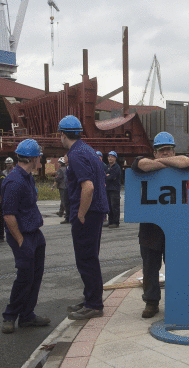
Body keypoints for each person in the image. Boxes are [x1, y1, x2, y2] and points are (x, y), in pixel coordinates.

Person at [131, 132, 189, 318]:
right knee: (150, 268)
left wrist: (162, 165)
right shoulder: (144, 162)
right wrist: (167, 165)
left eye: (169, 150)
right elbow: (140, 165)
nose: (166, 153)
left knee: (177, 266)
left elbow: (188, 162)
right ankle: (151, 303)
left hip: (176, 228)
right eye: (162, 151)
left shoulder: (182, 162)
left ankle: (179, 300)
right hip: (151, 228)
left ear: (174, 150)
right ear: (155, 152)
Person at [58, 115, 109, 320]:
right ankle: (91, 299)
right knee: (90, 258)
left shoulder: (76, 154)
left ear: (62, 134)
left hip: (87, 214)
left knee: (86, 259)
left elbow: (87, 186)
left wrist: (80, 214)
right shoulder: (87, 150)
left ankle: (94, 305)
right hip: (97, 211)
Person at [1, 139, 51, 334]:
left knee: (35, 276)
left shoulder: (28, 177)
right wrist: (21, 240)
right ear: (33, 158)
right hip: (23, 236)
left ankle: (27, 316)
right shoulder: (14, 181)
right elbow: (8, 215)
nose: (41, 159)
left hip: (35, 234)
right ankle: (10, 316)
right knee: (24, 277)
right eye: (39, 156)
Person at [105, 151, 121, 229]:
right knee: (109, 206)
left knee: (114, 206)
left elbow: (110, 177)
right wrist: (107, 176)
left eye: (112, 157)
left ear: (115, 158)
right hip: (108, 189)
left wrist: (108, 176)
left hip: (114, 189)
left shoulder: (116, 167)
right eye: (109, 157)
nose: (110, 158)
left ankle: (116, 222)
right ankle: (110, 221)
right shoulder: (107, 167)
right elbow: (105, 176)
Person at [53, 156, 70, 224]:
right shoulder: (66, 168)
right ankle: (61, 212)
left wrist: (53, 186)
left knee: (64, 201)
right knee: (64, 200)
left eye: (58, 162)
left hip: (62, 187)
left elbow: (57, 179)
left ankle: (67, 214)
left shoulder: (60, 170)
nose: (58, 164)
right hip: (67, 186)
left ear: (61, 163)